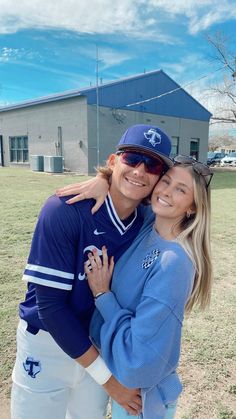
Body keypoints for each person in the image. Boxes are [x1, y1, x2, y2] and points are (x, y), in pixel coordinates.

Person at [11, 124, 174, 419]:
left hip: (101, 341)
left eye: (152, 165)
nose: (140, 171)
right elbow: (50, 307)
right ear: (113, 161)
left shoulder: (147, 222)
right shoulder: (64, 209)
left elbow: (191, 207)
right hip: (47, 343)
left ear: (159, 179)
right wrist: (111, 382)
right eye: (132, 159)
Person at [63, 155, 214, 418]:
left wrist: (102, 294)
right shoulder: (148, 224)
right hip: (124, 382)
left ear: (192, 207)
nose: (167, 192)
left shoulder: (173, 262)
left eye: (181, 190)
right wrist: (104, 179)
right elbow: (126, 192)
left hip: (141, 398)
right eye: (166, 181)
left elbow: (140, 355)